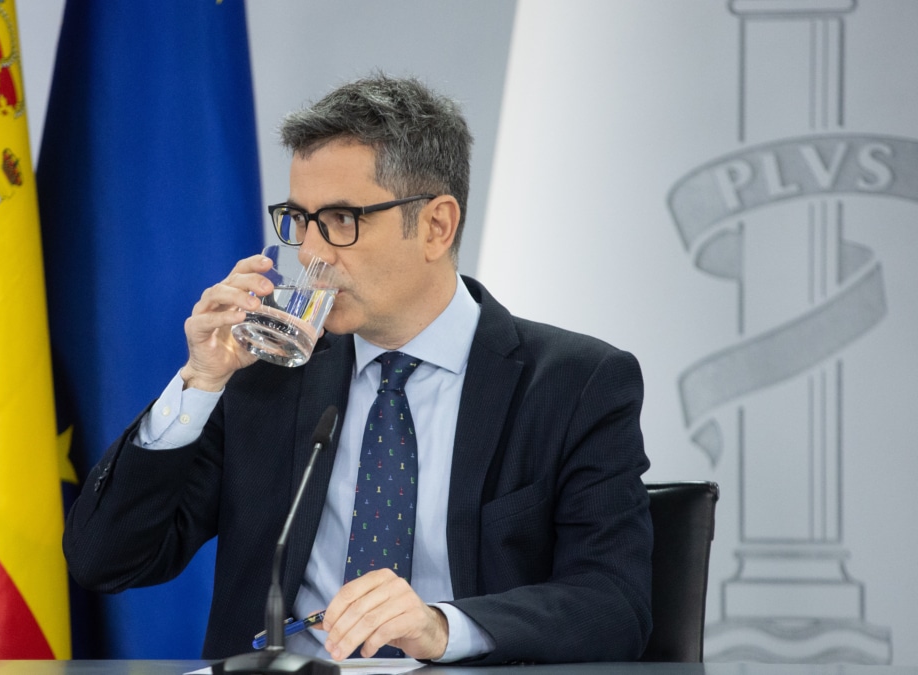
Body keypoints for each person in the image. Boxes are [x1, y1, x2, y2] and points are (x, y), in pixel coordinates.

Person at [63, 74, 653, 665]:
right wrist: (201, 379)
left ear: (436, 226)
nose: (313, 253)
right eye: (299, 219)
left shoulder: (577, 384)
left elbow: (613, 604)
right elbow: (106, 558)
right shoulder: (267, 377)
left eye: (342, 220)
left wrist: (442, 627)